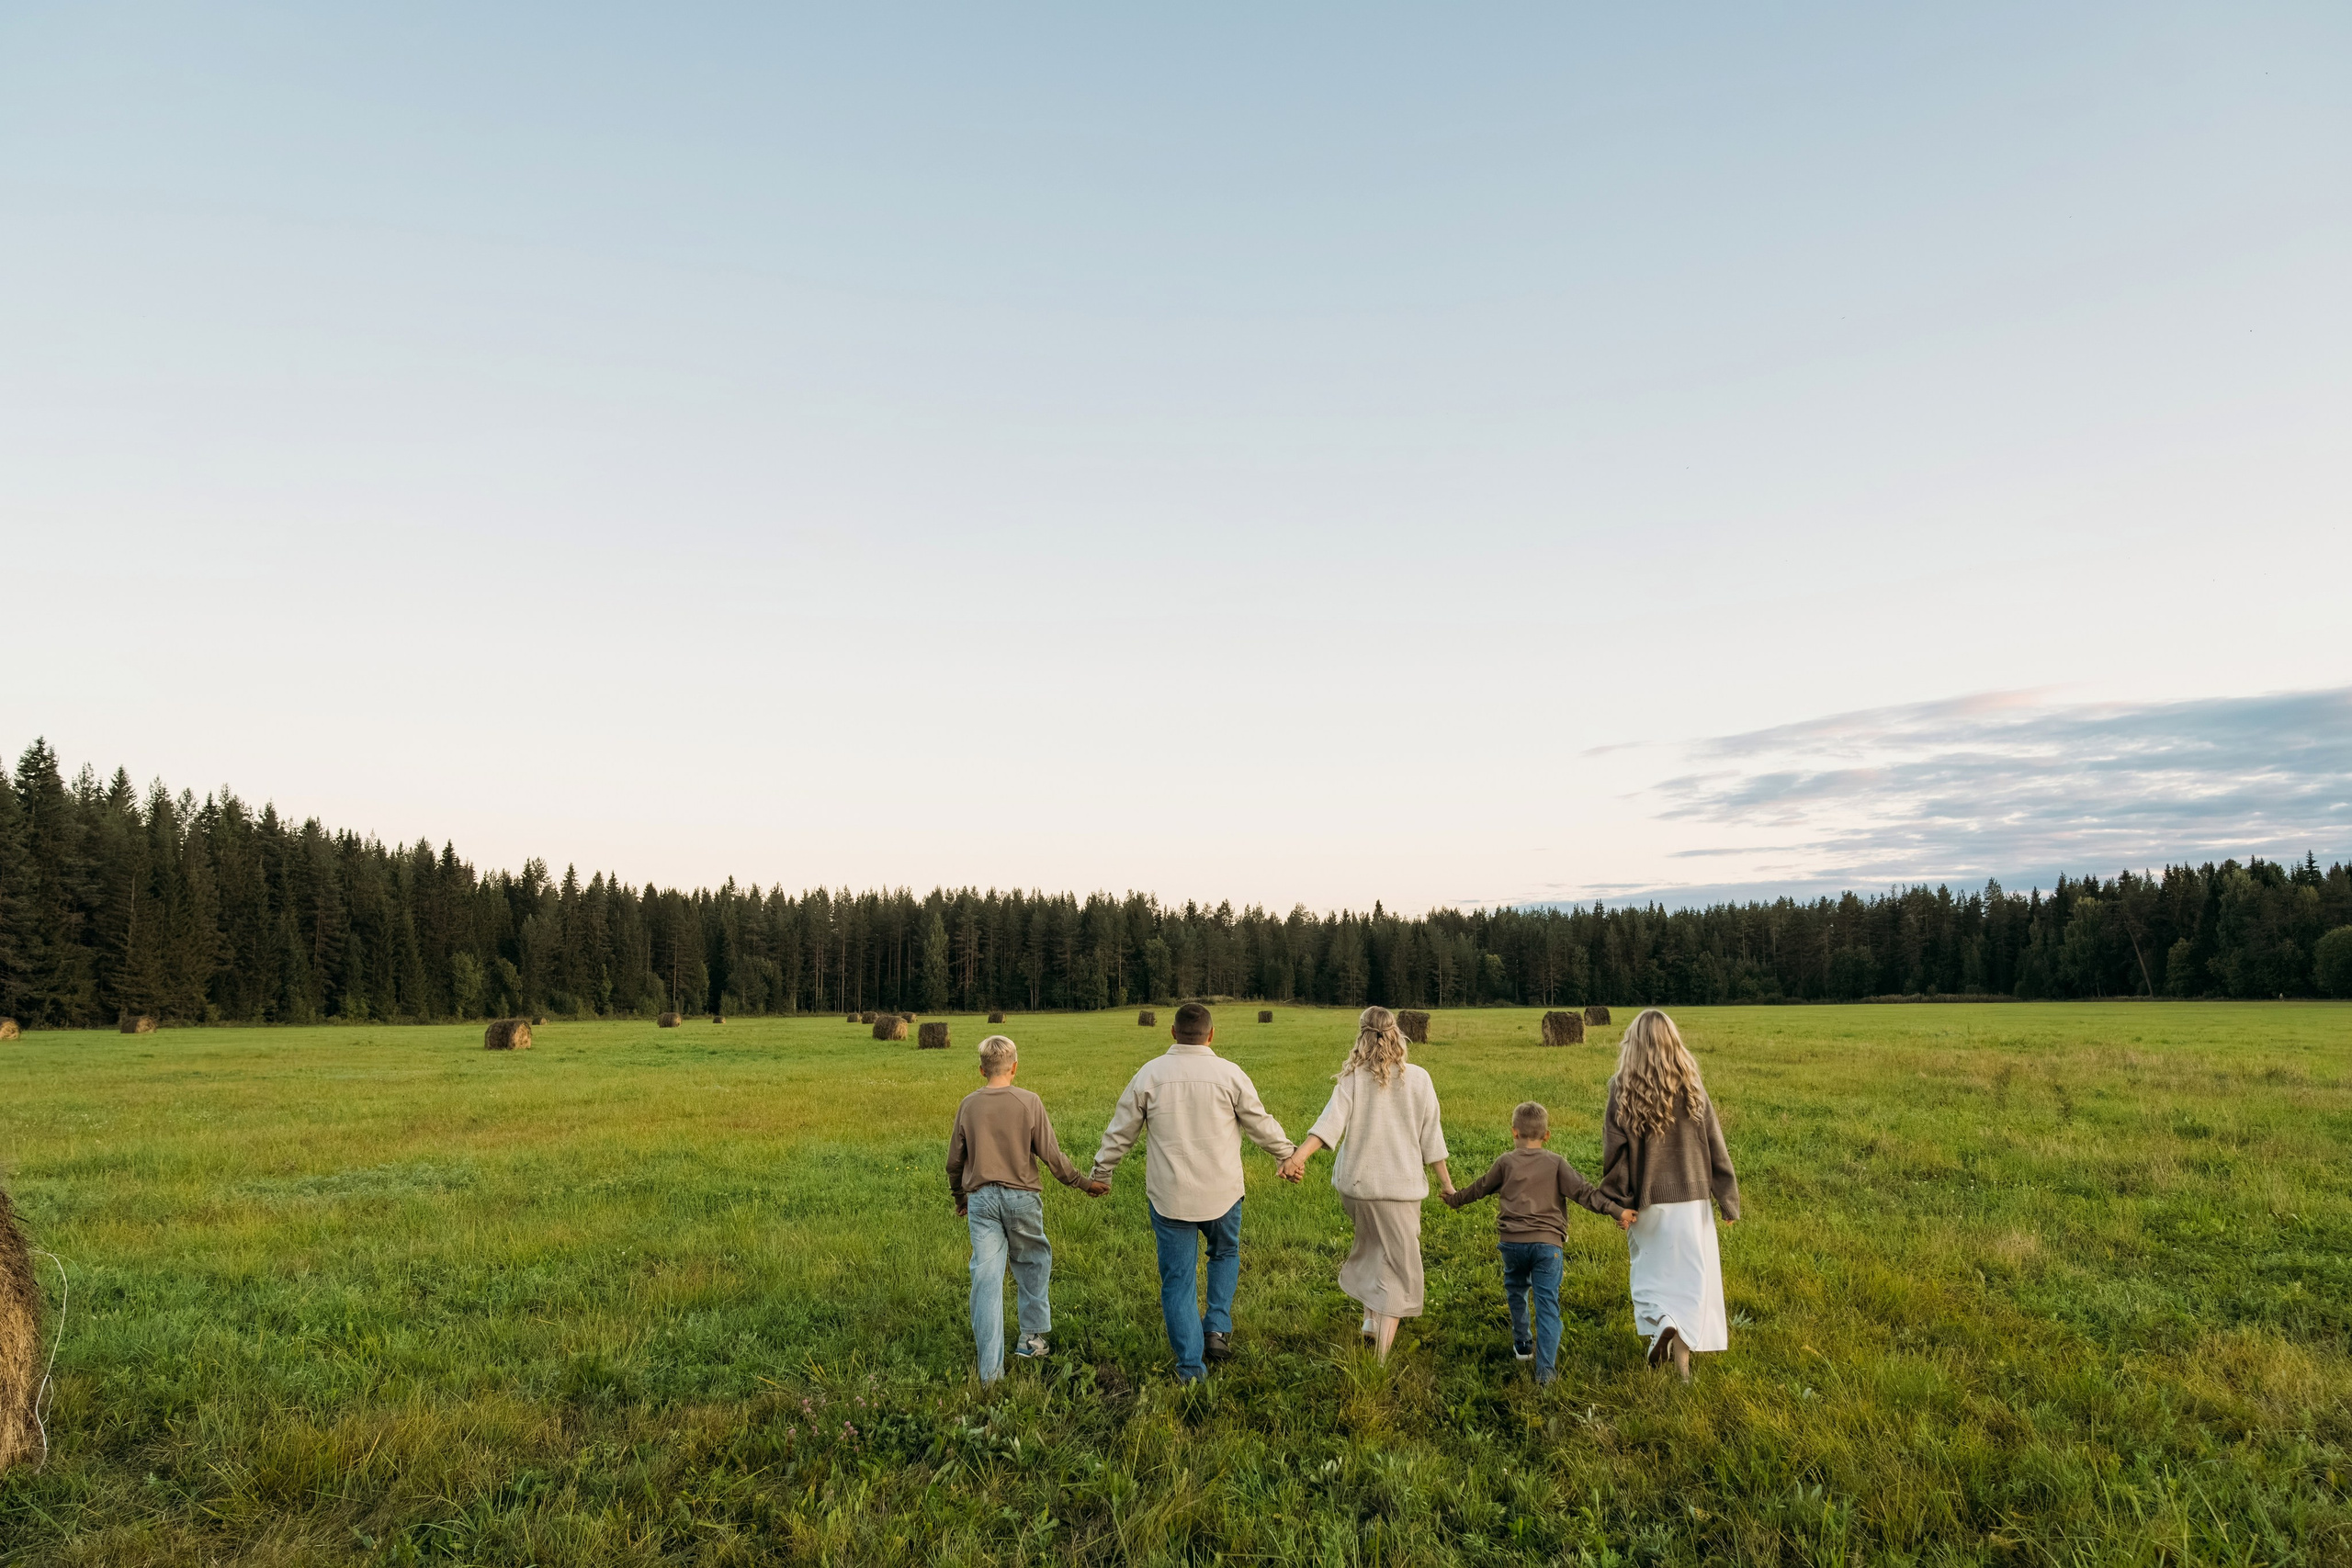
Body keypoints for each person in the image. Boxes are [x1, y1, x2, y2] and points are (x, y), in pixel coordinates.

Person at [1090, 1002, 1295, 1382]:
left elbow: (1121, 1131)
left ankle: (1190, 1368)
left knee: (1178, 1280)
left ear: (1172, 1032)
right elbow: (1259, 1122)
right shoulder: (1229, 1074)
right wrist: (1288, 1155)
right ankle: (1216, 1327)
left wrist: (1103, 1172)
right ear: (1211, 1034)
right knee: (1226, 1252)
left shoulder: (1150, 1074)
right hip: (1223, 1194)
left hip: (1171, 1198)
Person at [1276, 1006, 1453, 1362]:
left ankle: (1370, 1321)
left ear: (1362, 1036)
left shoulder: (1353, 1077)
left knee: (1373, 1248)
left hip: (1355, 1187)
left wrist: (1297, 1158)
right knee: (1400, 1268)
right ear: (1396, 1034)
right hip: (1397, 1191)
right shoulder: (1419, 1079)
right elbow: (1431, 1140)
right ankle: (1381, 1359)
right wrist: (1446, 1185)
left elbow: (1328, 1125)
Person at [945, 1032, 1107, 1382]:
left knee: (986, 1280)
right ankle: (1031, 1339)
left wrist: (960, 1198)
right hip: (1022, 1198)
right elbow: (1052, 1157)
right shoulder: (1029, 1101)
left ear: (981, 1070)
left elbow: (954, 1163)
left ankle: (990, 1373)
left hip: (982, 1201)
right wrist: (1083, 1182)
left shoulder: (968, 1105)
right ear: (1015, 1068)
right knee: (1033, 1261)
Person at [1442, 1100, 1634, 1383]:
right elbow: (1585, 1193)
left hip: (1512, 1244)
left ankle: (1522, 1343)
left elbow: (1480, 1187)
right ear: (1547, 1135)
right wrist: (1619, 1211)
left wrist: (1454, 1199)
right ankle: (1546, 1373)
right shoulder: (1556, 1163)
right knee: (1547, 1304)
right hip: (1548, 1246)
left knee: (1516, 1290)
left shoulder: (1505, 1162)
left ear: (1514, 1132)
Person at [1598, 1009, 1739, 1382]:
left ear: (1633, 1044)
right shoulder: (1691, 1084)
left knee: (1650, 1279)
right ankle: (1683, 1367)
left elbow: (1616, 1154)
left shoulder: (1621, 1087)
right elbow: (1714, 1143)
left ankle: (1663, 1321)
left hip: (1649, 1201)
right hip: (1693, 1201)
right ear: (1673, 1042)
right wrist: (1726, 1196)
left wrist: (1618, 1203)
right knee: (1692, 1282)